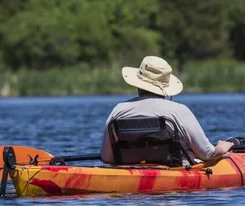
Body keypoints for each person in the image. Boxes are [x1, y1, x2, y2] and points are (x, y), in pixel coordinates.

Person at [100, 56, 233, 165]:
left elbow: (107, 158)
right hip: (175, 176)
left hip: (131, 178)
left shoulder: (118, 110)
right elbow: (207, 154)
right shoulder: (179, 111)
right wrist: (221, 148)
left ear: (138, 84)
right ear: (166, 87)